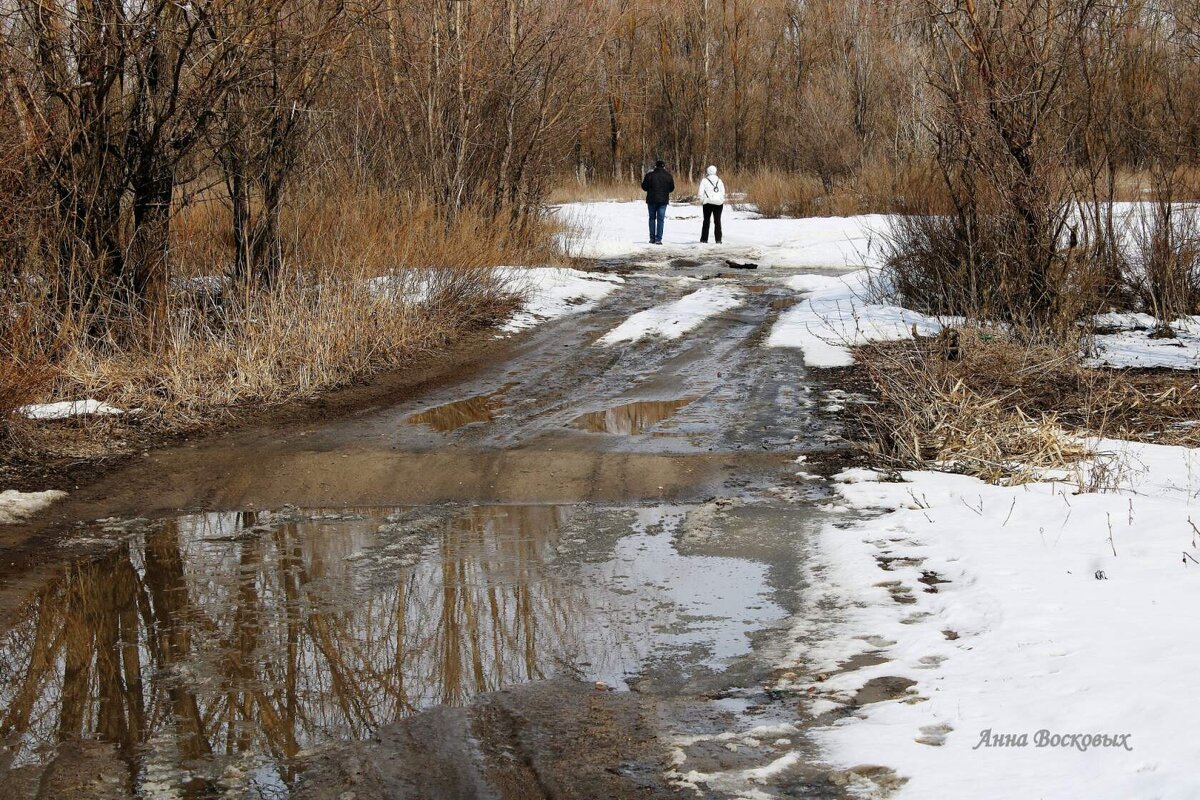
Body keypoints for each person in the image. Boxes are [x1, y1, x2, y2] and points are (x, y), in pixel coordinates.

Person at [641, 160, 674, 244]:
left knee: (652, 219)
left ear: (655, 166)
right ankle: (659, 239)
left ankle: (652, 238)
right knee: (660, 220)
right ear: (664, 166)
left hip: (651, 200)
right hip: (663, 200)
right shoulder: (668, 176)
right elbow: (671, 189)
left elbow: (644, 187)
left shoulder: (649, 175)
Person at [698, 165, 726, 244]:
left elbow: (700, 192)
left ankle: (704, 239)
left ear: (707, 171)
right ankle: (718, 239)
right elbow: (723, 192)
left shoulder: (704, 180)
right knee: (717, 221)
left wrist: (703, 200)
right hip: (718, 203)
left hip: (707, 203)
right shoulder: (719, 180)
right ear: (715, 171)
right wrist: (721, 199)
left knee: (706, 221)